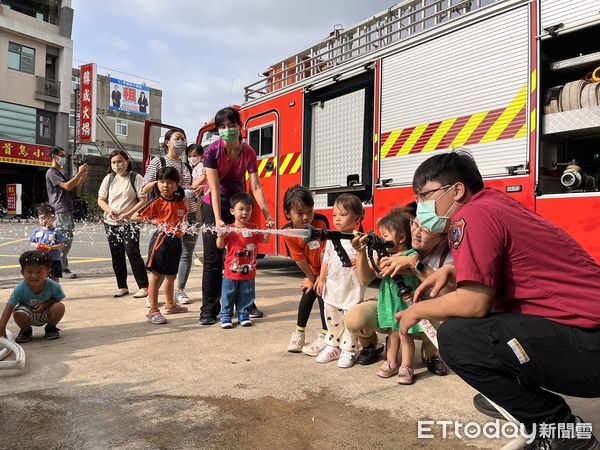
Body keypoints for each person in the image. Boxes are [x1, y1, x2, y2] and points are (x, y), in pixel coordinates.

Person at [398, 150, 600, 449]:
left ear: (456, 190)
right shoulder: (494, 204)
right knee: (476, 331)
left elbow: (473, 303)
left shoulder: (470, 216)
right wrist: (453, 269)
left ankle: (562, 434)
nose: (421, 206)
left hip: (590, 344)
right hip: (587, 337)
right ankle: (519, 399)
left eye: (425, 196)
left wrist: (418, 309)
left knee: (457, 337)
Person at [345, 215, 452, 376]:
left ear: (442, 237)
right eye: (414, 225)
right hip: (392, 305)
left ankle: (429, 355)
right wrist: (361, 251)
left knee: (447, 325)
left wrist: (414, 264)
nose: (416, 232)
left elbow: (449, 295)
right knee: (362, 321)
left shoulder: (448, 255)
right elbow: (366, 278)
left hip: (425, 309)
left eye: (425, 230)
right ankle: (378, 352)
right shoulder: (385, 252)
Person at [199, 107, 275, 325]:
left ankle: (246, 305)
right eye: (222, 127)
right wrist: (218, 220)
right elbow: (213, 188)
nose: (227, 130)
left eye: (231, 125)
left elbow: (256, 186)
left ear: (239, 127)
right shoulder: (212, 151)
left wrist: (267, 212)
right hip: (214, 203)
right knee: (214, 257)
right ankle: (209, 309)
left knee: (244, 252)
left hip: (239, 204)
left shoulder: (248, 152)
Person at [142, 129, 197, 305]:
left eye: (183, 139)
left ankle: (179, 291)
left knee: (185, 253)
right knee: (161, 260)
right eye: (177, 138)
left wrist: (190, 193)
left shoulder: (186, 165)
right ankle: (153, 296)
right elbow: (144, 187)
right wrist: (163, 182)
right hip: (167, 214)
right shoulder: (159, 161)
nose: (181, 141)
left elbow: (189, 190)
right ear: (167, 142)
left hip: (189, 213)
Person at [313, 194, 365, 368]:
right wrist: (321, 279)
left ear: (356, 218)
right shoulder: (332, 237)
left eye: (343, 215)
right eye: (335, 215)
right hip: (333, 287)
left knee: (349, 320)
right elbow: (326, 259)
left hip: (351, 289)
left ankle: (348, 349)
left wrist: (361, 260)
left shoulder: (359, 240)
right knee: (332, 317)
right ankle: (333, 345)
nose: (337, 219)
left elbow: (368, 262)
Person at [133, 167, 189, 325]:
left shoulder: (180, 201)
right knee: (156, 276)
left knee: (171, 275)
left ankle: (170, 305)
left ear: (177, 185)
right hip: (161, 241)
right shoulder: (156, 201)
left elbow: (183, 217)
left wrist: (184, 226)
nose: (165, 185)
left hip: (176, 241)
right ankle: (153, 310)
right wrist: (154, 221)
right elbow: (135, 216)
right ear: (156, 183)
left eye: (170, 182)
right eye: (161, 182)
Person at [282, 185, 329, 355]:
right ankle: (299, 332)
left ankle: (326, 334)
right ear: (288, 213)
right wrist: (311, 277)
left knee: (322, 292)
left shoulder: (320, 222)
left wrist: (320, 278)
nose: (306, 217)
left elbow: (326, 253)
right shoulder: (288, 232)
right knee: (308, 291)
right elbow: (299, 258)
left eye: (309, 211)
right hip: (314, 271)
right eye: (300, 213)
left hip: (328, 268)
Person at [97, 150, 149, 298]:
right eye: (113, 162)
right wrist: (110, 211)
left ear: (127, 161)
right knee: (116, 254)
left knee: (132, 252)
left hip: (130, 222)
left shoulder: (135, 177)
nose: (117, 165)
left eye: (120, 161)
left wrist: (128, 214)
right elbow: (101, 199)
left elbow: (143, 200)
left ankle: (144, 287)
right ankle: (122, 286)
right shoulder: (109, 178)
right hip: (111, 222)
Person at [217, 192, 269, 329]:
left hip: (249, 270)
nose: (244, 213)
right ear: (232, 211)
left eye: (248, 210)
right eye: (241, 209)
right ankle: (226, 315)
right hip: (231, 270)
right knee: (228, 293)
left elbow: (264, 240)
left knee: (247, 293)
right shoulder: (229, 229)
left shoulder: (254, 228)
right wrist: (221, 236)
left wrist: (268, 229)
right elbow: (220, 245)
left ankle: (244, 314)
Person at [0, 251, 65, 342]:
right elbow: (9, 307)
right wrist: (2, 327)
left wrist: (46, 304)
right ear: (22, 272)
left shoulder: (53, 286)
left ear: (48, 271)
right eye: (29, 272)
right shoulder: (20, 288)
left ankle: (51, 328)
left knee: (59, 306)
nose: (34, 276)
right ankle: (26, 330)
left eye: (39, 271)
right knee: (18, 313)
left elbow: (58, 298)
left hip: (46, 313)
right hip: (28, 315)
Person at [45, 146, 88, 278]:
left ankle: (58, 267)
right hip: (59, 210)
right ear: (54, 157)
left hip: (66, 209)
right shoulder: (52, 172)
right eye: (62, 156)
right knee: (62, 240)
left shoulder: (63, 173)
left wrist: (82, 176)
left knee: (66, 240)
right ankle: (60, 269)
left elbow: (75, 189)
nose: (63, 158)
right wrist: (79, 173)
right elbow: (67, 186)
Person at [29, 203, 65, 282]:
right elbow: (32, 242)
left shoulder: (56, 231)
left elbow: (62, 244)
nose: (44, 221)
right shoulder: (36, 231)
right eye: (41, 219)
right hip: (41, 259)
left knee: (55, 278)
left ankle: (56, 292)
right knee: (42, 277)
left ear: (53, 218)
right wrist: (37, 245)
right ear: (38, 219)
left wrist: (51, 248)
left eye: (47, 218)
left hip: (54, 259)